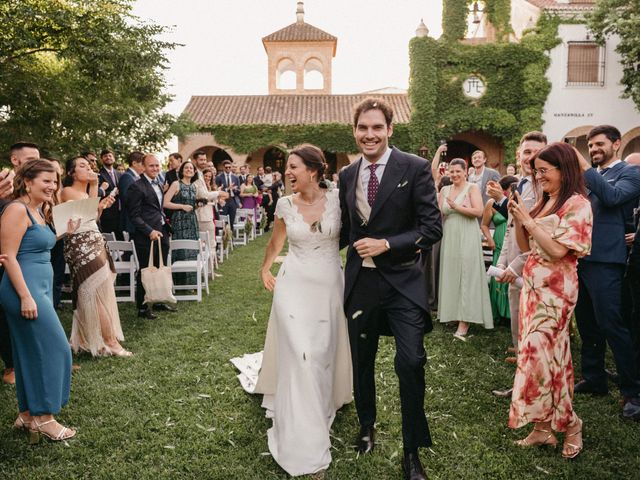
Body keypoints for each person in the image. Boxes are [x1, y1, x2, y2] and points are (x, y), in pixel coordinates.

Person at [232, 145, 352, 477]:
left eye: (293, 167)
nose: (287, 172)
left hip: (329, 286)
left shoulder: (340, 200)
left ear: (314, 170)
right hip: (292, 286)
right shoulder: (285, 204)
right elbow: (277, 241)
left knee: (320, 353)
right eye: (287, 167)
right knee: (303, 353)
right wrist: (265, 268)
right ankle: (307, 441)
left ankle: (324, 399)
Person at [338, 98, 442, 480]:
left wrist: (388, 244)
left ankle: (412, 451)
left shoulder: (413, 168)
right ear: (355, 131)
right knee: (361, 360)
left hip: (403, 284)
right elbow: (348, 229)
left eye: (376, 128)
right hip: (362, 284)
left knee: (411, 362)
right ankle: (367, 425)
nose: (369, 134)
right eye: (363, 128)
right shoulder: (347, 175)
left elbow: (432, 229)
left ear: (389, 130)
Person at [507, 142, 593, 459]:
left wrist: (529, 222)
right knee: (540, 357)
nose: (539, 177)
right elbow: (525, 245)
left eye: (545, 171)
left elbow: (559, 250)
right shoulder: (546, 200)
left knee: (541, 353)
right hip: (533, 285)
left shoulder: (577, 204)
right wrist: (519, 218)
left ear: (564, 169)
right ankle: (542, 429)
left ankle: (572, 424)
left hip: (557, 289)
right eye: (536, 171)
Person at [0, 159, 78, 442]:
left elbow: (35, 244)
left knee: (28, 353)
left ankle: (26, 415)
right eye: (46, 181)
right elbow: (8, 256)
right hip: (25, 289)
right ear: (28, 181)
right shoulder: (16, 209)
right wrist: (25, 296)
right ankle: (44, 418)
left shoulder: (37, 210)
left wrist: (63, 232)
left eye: (55, 181)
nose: (52, 186)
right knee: (57, 349)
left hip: (40, 286)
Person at [573, 125, 640, 420]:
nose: (594, 148)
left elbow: (613, 198)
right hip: (582, 257)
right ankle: (594, 377)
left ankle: (632, 391)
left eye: (599, 144)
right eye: (590, 145)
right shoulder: (590, 176)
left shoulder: (629, 173)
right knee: (587, 322)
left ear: (616, 143)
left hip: (607, 259)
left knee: (612, 322)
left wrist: (585, 168)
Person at [61, 156, 130, 357]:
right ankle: (111, 342)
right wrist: (96, 188)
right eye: (82, 166)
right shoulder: (66, 191)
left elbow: (93, 217)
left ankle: (89, 339)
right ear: (71, 173)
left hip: (95, 239)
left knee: (101, 291)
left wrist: (100, 206)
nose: (88, 168)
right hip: (80, 244)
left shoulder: (84, 192)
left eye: (89, 165)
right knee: (93, 292)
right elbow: (78, 219)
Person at [488, 132, 546, 361]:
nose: (532, 158)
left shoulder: (544, 188)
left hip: (532, 267)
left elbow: (537, 237)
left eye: (538, 153)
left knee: (533, 324)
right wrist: (503, 263)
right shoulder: (519, 185)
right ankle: (521, 356)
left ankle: (529, 368)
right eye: (528, 152)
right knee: (517, 318)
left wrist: (515, 266)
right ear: (518, 154)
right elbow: (512, 230)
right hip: (513, 264)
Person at [436, 158, 493, 338]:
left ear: (465, 171)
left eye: (458, 171)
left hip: (467, 233)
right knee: (452, 272)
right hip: (450, 234)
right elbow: (439, 212)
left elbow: (478, 212)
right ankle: (453, 312)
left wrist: (457, 207)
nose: (454, 175)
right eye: (451, 172)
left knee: (467, 273)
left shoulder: (472, 188)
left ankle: (465, 320)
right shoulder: (445, 190)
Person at [1, 142, 38, 385]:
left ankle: (28, 360)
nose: (36, 162)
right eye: (30, 158)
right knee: (5, 313)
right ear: (15, 161)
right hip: (5, 253)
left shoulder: (34, 184)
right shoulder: (4, 181)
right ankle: (11, 365)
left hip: (27, 255)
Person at [126, 154, 177, 319]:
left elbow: (156, 207)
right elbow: (133, 216)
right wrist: (149, 231)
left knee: (160, 268)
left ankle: (159, 300)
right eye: (151, 166)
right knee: (146, 270)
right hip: (146, 235)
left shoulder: (160, 183)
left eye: (157, 166)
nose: (155, 169)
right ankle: (142, 308)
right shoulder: (136, 186)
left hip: (162, 230)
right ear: (143, 167)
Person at [480, 175, 519, 327]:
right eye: (513, 188)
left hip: (514, 242)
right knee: (499, 278)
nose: (515, 190)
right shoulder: (492, 203)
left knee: (512, 276)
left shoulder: (515, 202)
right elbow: (484, 225)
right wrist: (490, 239)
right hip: (498, 243)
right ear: (505, 188)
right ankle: (499, 313)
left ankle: (512, 314)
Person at [163, 161, 200, 285]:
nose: (189, 169)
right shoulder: (176, 184)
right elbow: (165, 203)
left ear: (194, 172)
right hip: (179, 221)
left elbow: (192, 203)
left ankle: (193, 282)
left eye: (191, 168)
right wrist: (182, 206)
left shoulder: (194, 186)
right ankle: (180, 282)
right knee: (181, 249)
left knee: (192, 248)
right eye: (186, 168)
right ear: (182, 170)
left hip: (192, 220)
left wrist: (196, 205)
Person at [119, 151, 145, 237]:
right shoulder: (127, 177)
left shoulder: (136, 177)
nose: (144, 167)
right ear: (134, 163)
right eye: (142, 164)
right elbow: (127, 199)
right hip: (130, 221)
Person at [97, 149, 121, 238]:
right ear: (101, 159)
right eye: (105, 156)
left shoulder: (119, 174)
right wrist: (113, 193)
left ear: (114, 158)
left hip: (120, 212)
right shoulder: (99, 174)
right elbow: (97, 193)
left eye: (110, 156)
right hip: (107, 213)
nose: (108, 157)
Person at [216, 159, 240, 226]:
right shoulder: (219, 177)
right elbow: (217, 191)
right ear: (223, 167)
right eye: (226, 167)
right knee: (223, 220)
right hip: (223, 200)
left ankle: (230, 235)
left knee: (232, 220)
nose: (228, 168)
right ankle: (224, 235)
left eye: (229, 167)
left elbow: (239, 191)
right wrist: (227, 189)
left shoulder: (235, 177)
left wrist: (235, 189)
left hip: (232, 200)